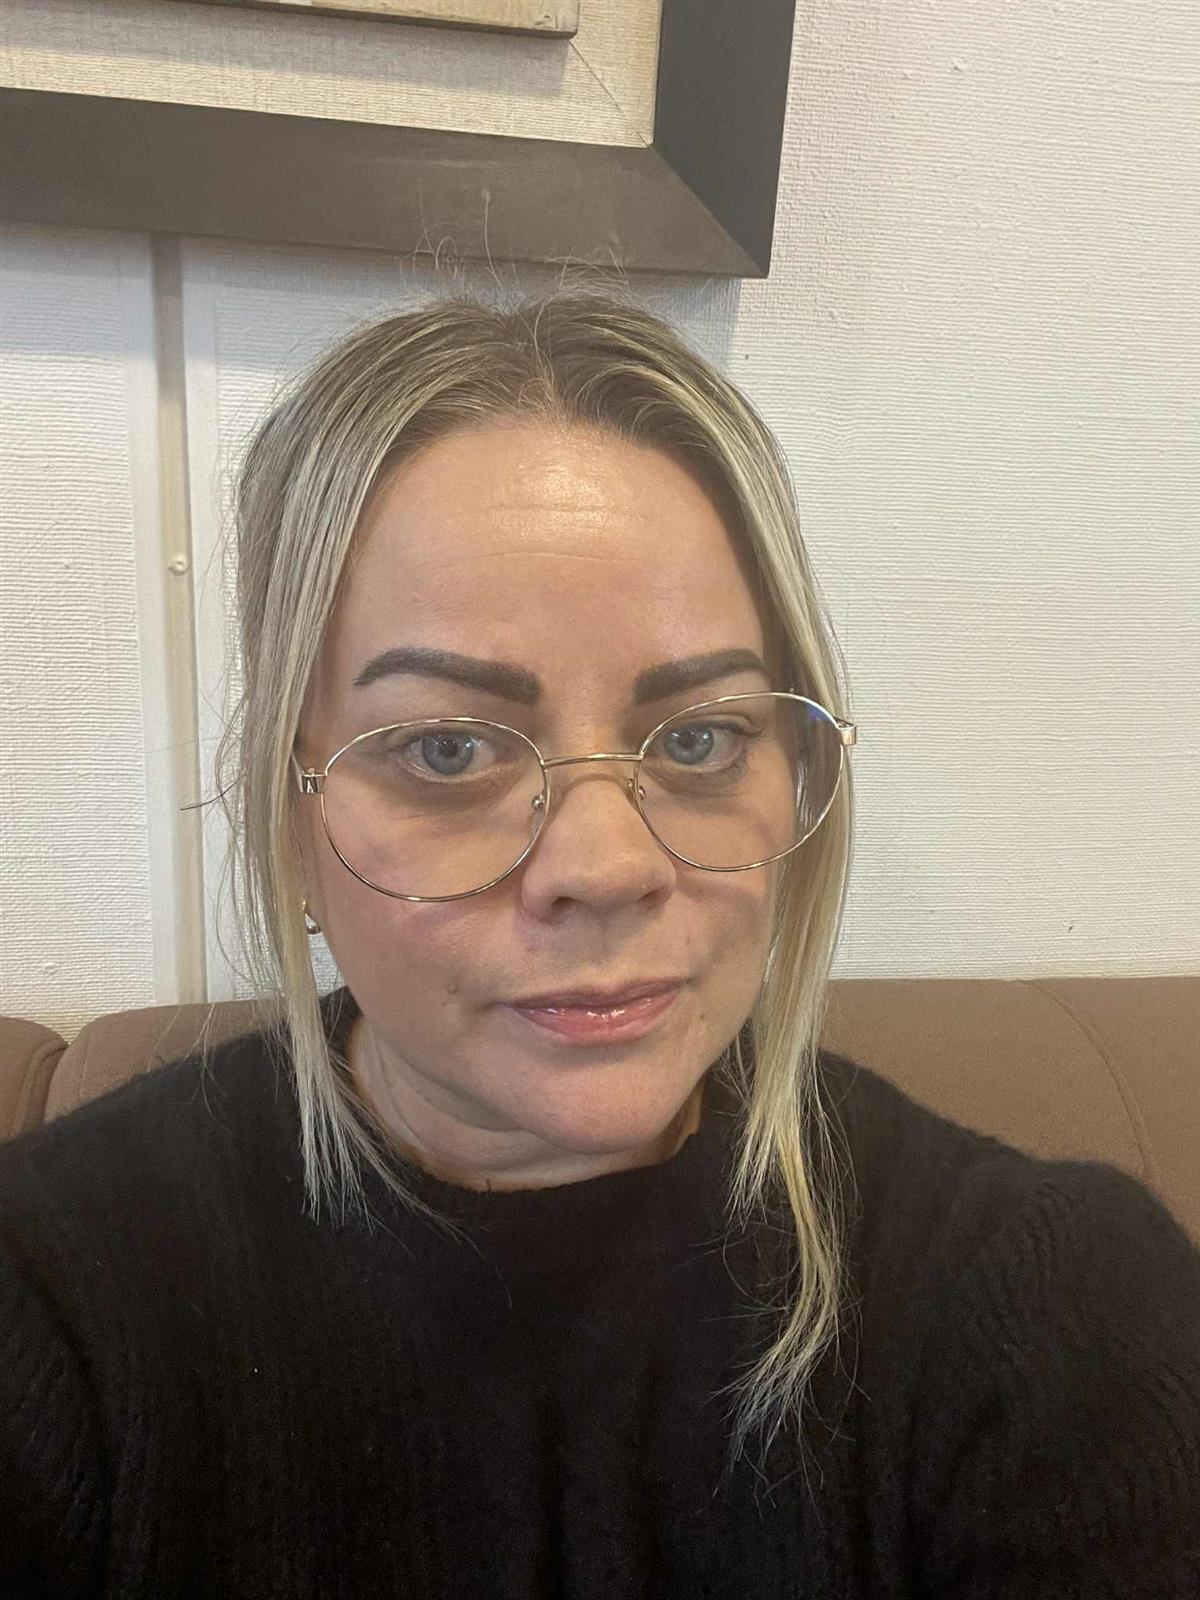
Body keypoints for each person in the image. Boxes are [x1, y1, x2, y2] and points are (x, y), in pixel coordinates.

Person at [1, 291, 1197, 1599]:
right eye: (446, 750)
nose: (607, 867)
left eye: (699, 738)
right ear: (292, 818)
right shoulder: (48, 1305)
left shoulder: (1052, 1303)